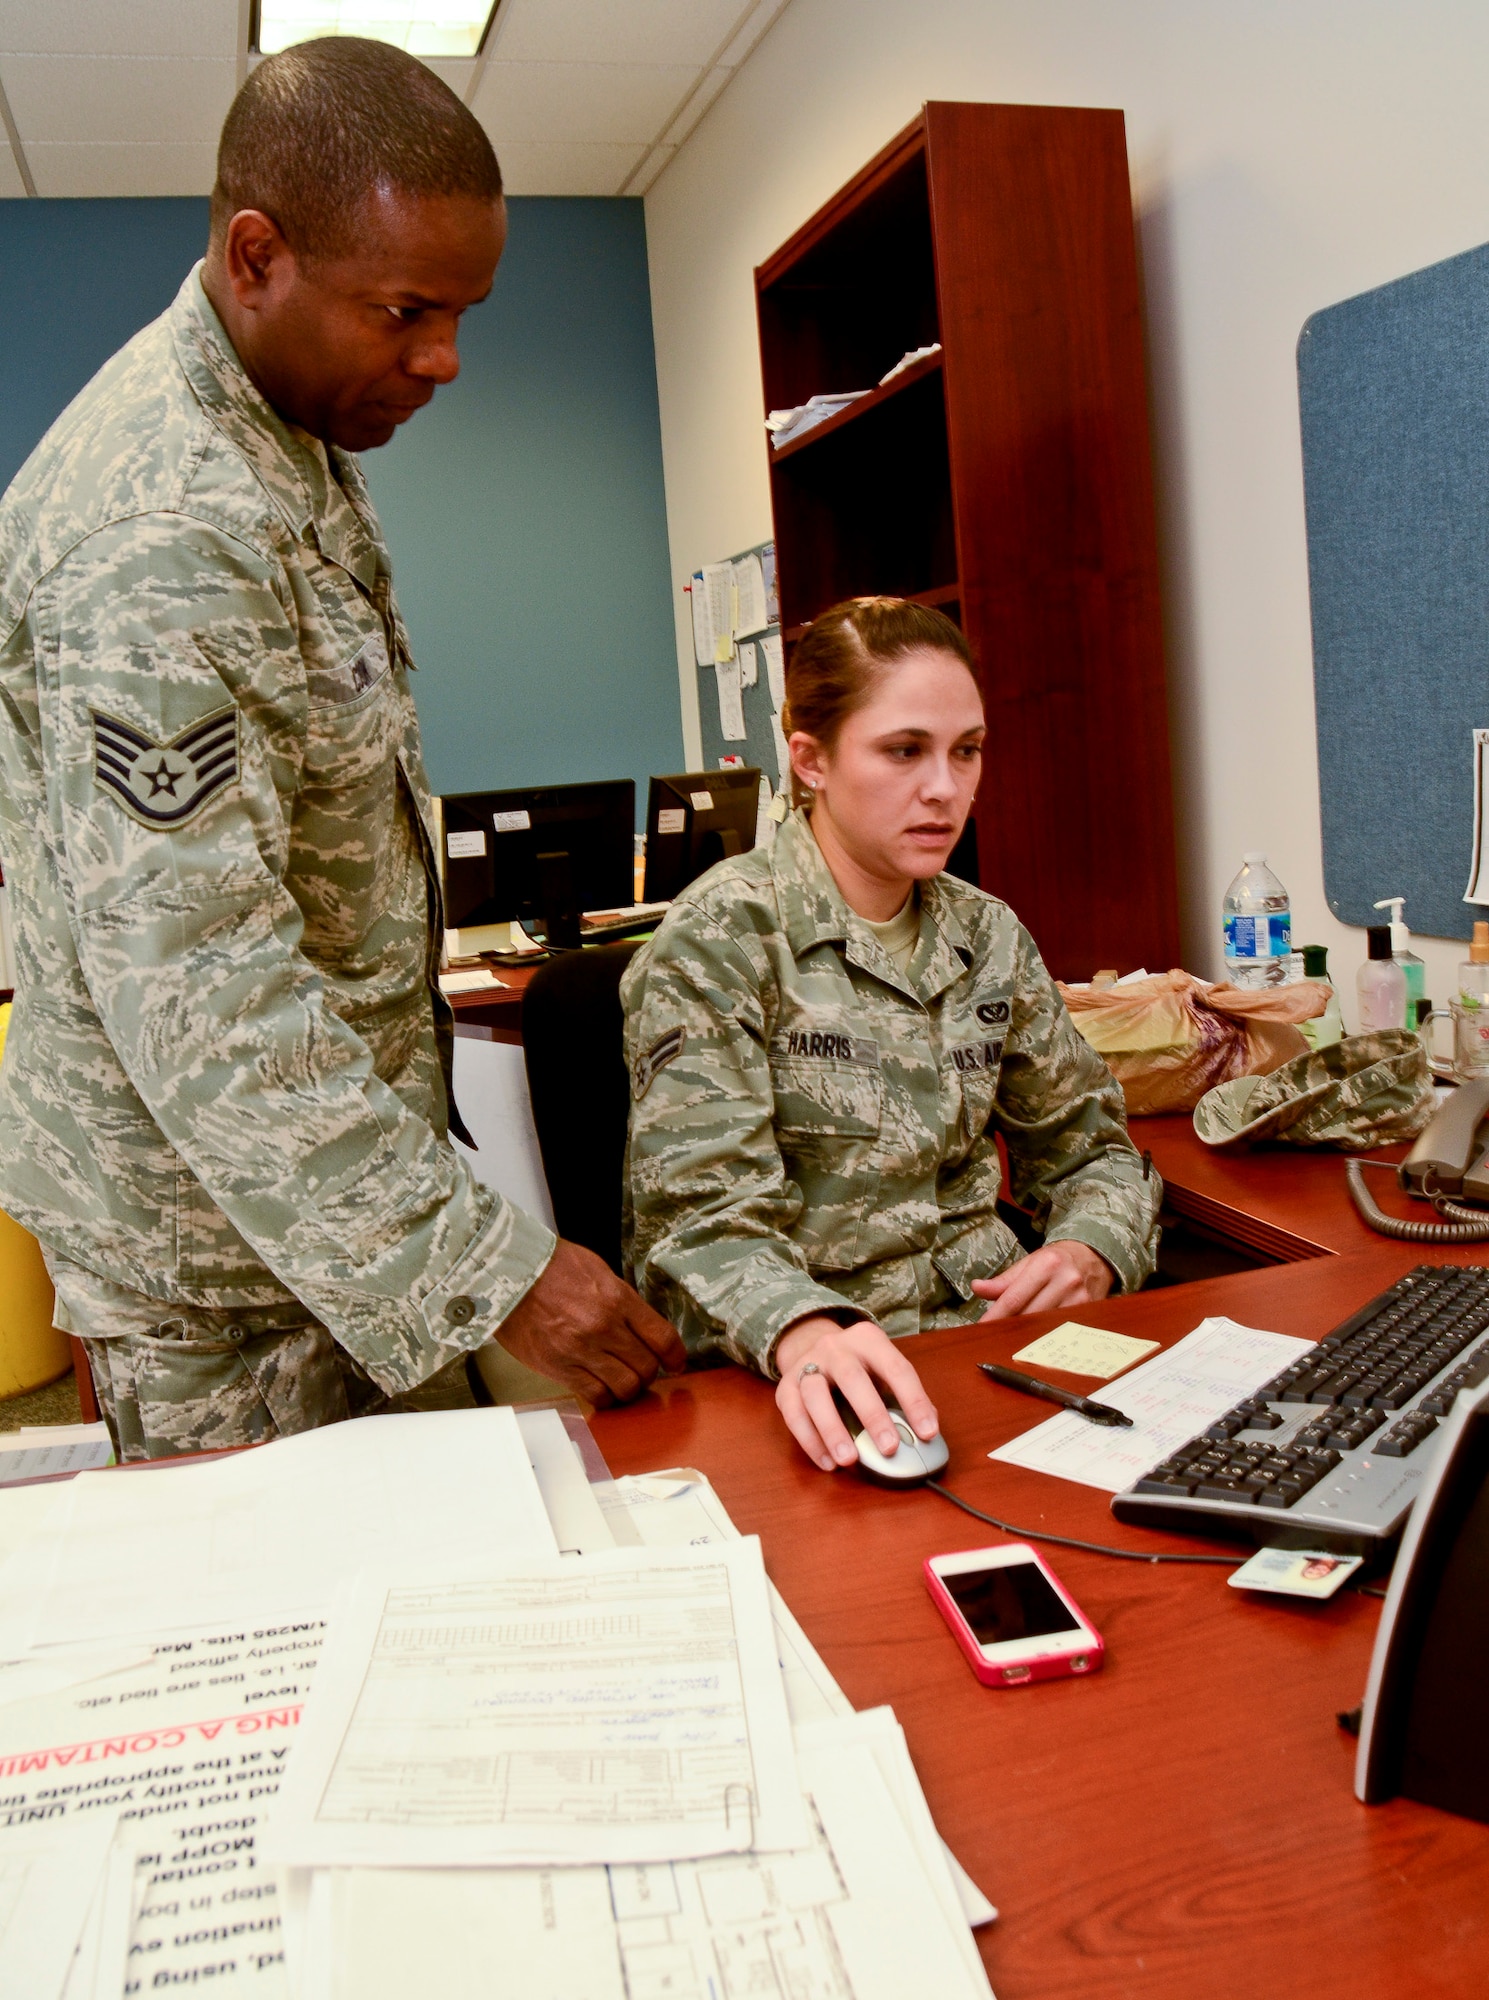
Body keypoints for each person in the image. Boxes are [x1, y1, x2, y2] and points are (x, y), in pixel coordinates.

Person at [0, 38, 683, 1459]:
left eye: (463, 312)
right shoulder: (164, 530)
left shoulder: (288, 434)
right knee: (293, 1654)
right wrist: (490, 1271)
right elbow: (198, 989)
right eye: (406, 310)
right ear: (257, 256)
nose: (443, 359)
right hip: (221, 1270)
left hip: (330, 1221)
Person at [622, 597, 1161, 1472]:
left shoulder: (986, 936)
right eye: (903, 751)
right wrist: (801, 1327)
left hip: (987, 1355)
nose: (944, 788)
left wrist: (1091, 1246)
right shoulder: (721, 941)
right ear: (810, 761)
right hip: (804, 1376)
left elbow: (1091, 1146)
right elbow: (697, 1225)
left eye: (967, 751)